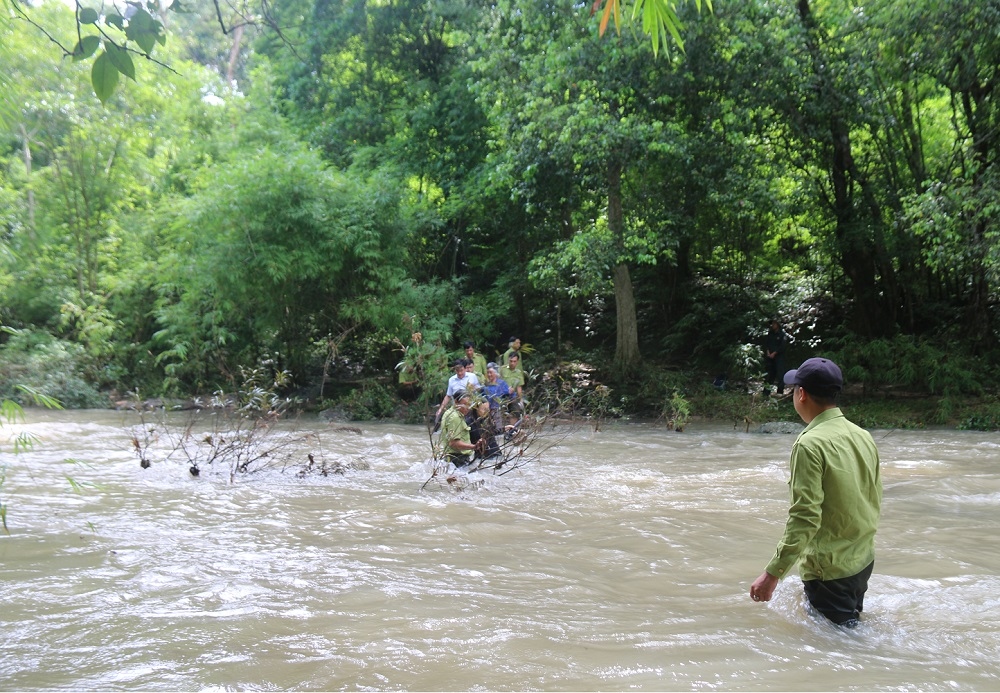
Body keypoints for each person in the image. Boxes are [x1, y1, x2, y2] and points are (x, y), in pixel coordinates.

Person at [749, 357, 883, 627]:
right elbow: (873, 495)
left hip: (829, 571)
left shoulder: (809, 445)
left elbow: (805, 516)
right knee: (850, 634)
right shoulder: (862, 435)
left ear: (801, 394)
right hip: (862, 560)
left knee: (840, 650)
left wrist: (773, 573)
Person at [439, 390, 484, 467]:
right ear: (456, 402)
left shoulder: (449, 412)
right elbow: (453, 443)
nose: (468, 408)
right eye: (465, 404)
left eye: (469, 404)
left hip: (451, 458)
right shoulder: (455, 417)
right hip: (457, 459)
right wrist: (473, 446)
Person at [435, 359, 481, 424]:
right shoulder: (451, 380)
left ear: (465, 368)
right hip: (457, 409)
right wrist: (440, 409)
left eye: (461, 370)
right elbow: (448, 396)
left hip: (470, 408)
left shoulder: (472, 377)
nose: (459, 373)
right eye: (457, 371)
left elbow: (479, 391)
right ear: (455, 370)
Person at [480, 362, 512, 429]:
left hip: (498, 409)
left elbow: (507, 395)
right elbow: (482, 397)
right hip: (487, 411)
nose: (489, 374)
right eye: (488, 373)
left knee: (499, 428)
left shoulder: (501, 383)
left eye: (491, 372)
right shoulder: (485, 385)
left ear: (495, 373)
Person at [763, 319, 789, 396]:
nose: (772, 325)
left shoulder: (782, 334)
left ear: (778, 324)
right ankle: (766, 392)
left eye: (774, 323)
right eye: (772, 324)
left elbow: (782, 346)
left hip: (779, 357)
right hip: (770, 357)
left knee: (780, 374)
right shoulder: (770, 334)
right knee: (769, 374)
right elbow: (766, 343)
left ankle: (780, 392)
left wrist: (775, 353)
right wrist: (768, 352)